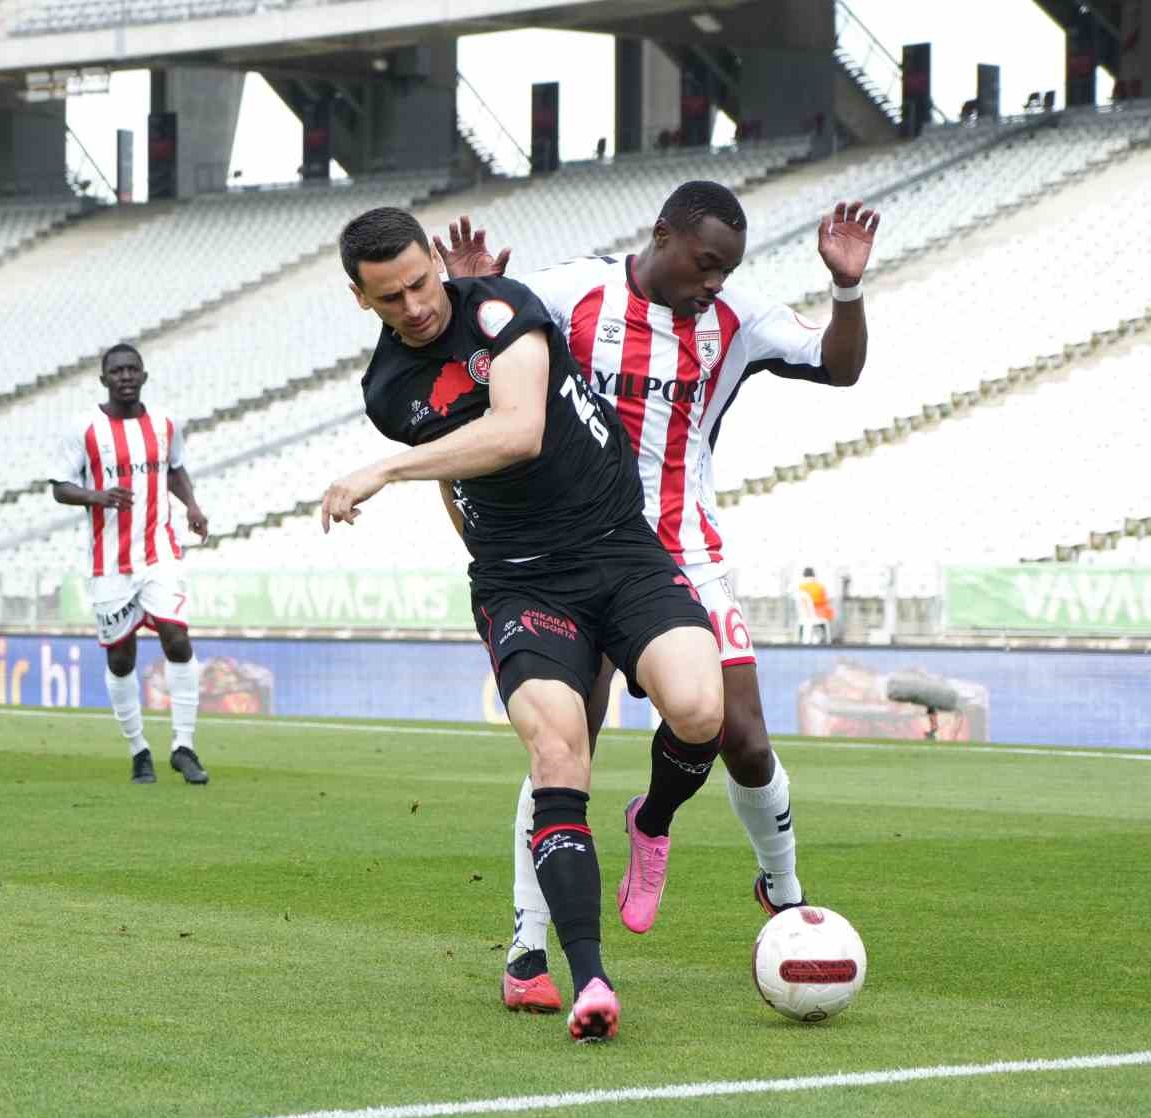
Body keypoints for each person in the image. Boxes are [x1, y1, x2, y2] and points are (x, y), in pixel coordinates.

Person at [430, 181, 878, 998]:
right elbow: (478, 359)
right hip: (568, 547)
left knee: (736, 731)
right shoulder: (571, 296)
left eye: (725, 269)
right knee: (568, 744)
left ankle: (767, 883)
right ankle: (528, 944)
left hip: (680, 548)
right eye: (705, 263)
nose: (713, 282)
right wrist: (470, 295)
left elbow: (840, 367)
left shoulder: (736, 317)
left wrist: (846, 287)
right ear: (663, 234)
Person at [323, 207, 726, 1042]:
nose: (416, 306)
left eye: (423, 282)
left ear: (440, 261)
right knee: (557, 751)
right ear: (361, 299)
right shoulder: (387, 390)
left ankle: (650, 821)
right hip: (520, 582)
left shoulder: (502, 308)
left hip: (619, 549)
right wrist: (492, 564)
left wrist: (381, 470)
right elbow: (456, 473)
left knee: (699, 711)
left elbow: (516, 432)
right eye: (391, 297)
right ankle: (589, 980)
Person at [48, 343, 211, 786]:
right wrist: (96, 496)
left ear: (143, 375)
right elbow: (60, 487)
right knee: (121, 657)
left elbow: (174, 469)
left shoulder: (165, 423)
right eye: (116, 371)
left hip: (160, 552)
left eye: (131, 369)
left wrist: (192, 506)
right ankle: (139, 750)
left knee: (177, 639)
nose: (124, 376)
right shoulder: (83, 428)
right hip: (110, 564)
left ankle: (184, 746)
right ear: (103, 379)